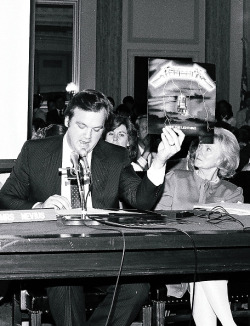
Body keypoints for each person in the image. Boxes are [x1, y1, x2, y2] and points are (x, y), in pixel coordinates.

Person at [0, 89, 185, 326]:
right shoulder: (35, 152)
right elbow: (7, 198)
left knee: (137, 288)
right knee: (65, 283)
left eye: (97, 130)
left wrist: (159, 161)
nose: (88, 136)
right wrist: (40, 206)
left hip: (102, 253)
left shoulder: (115, 156)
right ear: (67, 121)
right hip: (56, 254)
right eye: (81, 126)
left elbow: (141, 200)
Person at [155, 127, 243, 326]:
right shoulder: (176, 178)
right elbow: (159, 220)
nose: (199, 151)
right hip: (174, 255)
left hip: (211, 261)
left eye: (208, 149)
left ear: (223, 160)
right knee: (205, 266)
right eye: (200, 146)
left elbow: (230, 235)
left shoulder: (232, 192)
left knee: (206, 265)